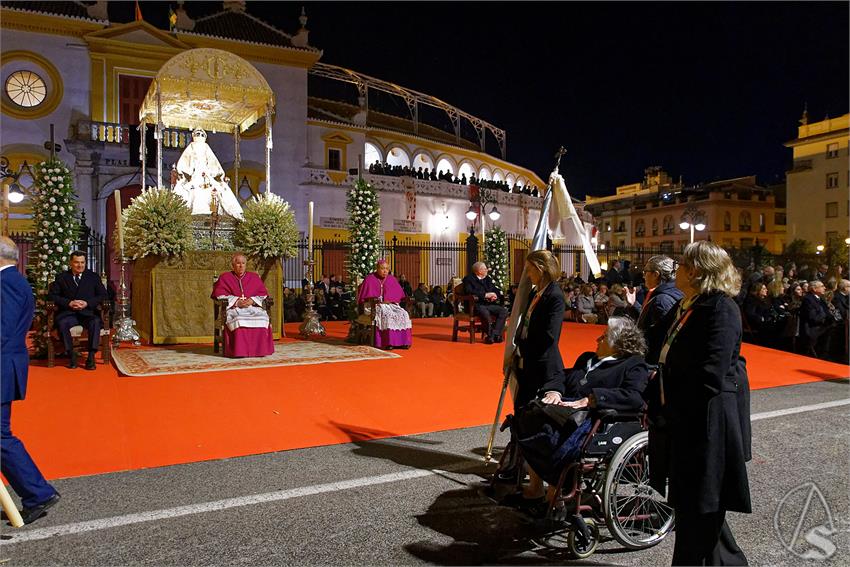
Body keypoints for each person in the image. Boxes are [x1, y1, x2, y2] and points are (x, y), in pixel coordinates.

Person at [647, 241, 751, 566]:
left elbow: (711, 374)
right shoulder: (688, 305)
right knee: (697, 506)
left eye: (680, 265)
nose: (675, 270)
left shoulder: (721, 309)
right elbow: (656, 343)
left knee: (700, 506)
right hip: (685, 419)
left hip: (706, 421)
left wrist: (671, 404)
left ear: (695, 271)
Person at [507, 316, 651, 512]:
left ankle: (553, 494)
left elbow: (633, 397)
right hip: (566, 409)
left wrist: (592, 399)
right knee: (527, 416)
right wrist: (554, 391)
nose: (598, 340)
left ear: (620, 343)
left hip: (593, 416)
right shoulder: (587, 358)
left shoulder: (633, 365)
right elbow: (563, 377)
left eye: (605, 337)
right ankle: (536, 488)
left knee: (548, 431)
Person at [0, 237, 62, 523]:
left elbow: (3, 329)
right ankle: (37, 492)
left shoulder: (8, 283)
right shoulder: (13, 281)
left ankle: (37, 493)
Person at [511, 250, 567, 410]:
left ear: (540, 269)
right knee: (520, 408)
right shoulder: (535, 293)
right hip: (526, 360)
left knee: (529, 410)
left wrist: (524, 345)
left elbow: (550, 336)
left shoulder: (555, 296)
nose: (528, 274)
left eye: (529, 269)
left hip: (542, 363)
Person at [48, 250, 108, 370]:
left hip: (88, 313)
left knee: (95, 322)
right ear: (71, 263)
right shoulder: (62, 277)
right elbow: (52, 296)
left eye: (82, 262)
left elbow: (103, 295)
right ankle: (71, 355)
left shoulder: (93, 277)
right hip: (69, 313)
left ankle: (91, 357)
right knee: (62, 324)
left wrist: (87, 303)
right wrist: (69, 303)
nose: (80, 265)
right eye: (76, 262)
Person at [211, 253, 274, 358]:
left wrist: (252, 300)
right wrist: (236, 301)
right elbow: (219, 295)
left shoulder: (254, 277)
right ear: (233, 265)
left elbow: (263, 294)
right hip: (234, 308)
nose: (241, 266)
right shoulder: (225, 278)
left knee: (262, 318)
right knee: (239, 319)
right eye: (238, 263)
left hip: (251, 307)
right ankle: (240, 351)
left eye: (243, 263)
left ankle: (259, 351)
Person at [173, 128, 243, 218]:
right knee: (189, 189)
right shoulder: (191, 147)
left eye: (201, 134)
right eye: (197, 134)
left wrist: (218, 176)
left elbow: (212, 161)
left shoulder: (206, 147)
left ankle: (218, 211)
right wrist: (183, 174)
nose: (199, 136)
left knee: (219, 189)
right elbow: (185, 162)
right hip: (196, 173)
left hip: (206, 173)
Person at [632, 255, 684, 364]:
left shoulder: (662, 299)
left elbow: (658, 338)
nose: (643, 276)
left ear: (655, 274)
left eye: (645, 272)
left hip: (653, 363)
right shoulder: (671, 293)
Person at [357, 259, 413, 349]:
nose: (385, 271)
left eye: (387, 269)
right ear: (377, 268)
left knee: (404, 314)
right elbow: (365, 297)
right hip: (374, 305)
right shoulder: (370, 278)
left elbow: (399, 294)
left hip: (390, 304)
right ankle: (388, 342)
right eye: (382, 268)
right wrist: (379, 302)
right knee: (386, 315)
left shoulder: (391, 279)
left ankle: (403, 341)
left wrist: (390, 300)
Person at [462, 262, 508, 344]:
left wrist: (495, 295)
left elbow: (495, 289)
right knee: (484, 312)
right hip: (475, 305)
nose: (487, 270)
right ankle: (492, 336)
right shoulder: (468, 279)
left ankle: (493, 335)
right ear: (479, 271)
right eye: (485, 268)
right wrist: (485, 295)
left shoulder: (487, 279)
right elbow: (469, 291)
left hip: (488, 304)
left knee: (503, 311)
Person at [798, 280, 833, 358]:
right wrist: (824, 316)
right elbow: (813, 317)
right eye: (822, 286)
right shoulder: (808, 299)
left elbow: (827, 314)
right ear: (814, 289)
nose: (825, 288)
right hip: (812, 328)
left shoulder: (821, 299)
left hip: (821, 326)